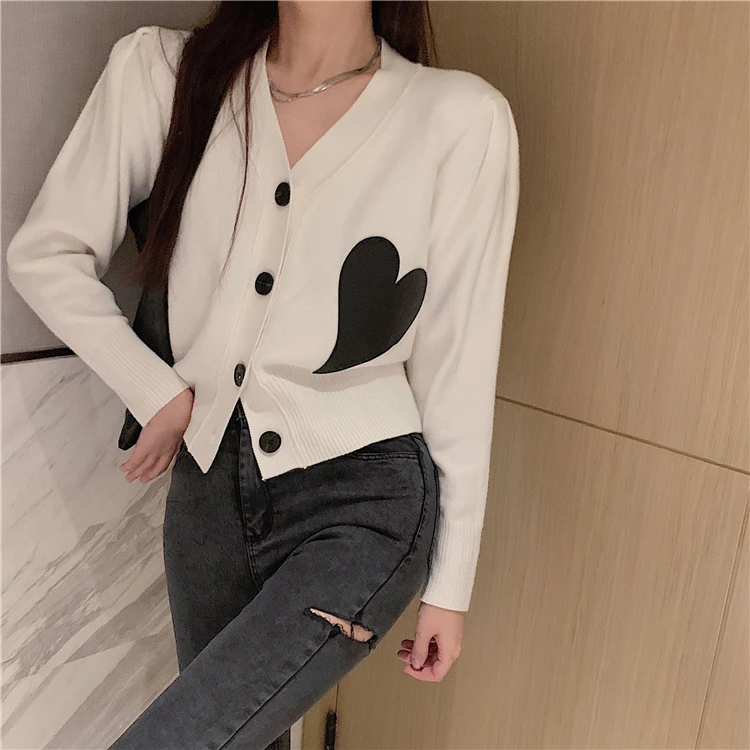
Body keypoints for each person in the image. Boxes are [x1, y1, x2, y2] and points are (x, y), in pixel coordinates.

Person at [5, 1, 520, 747]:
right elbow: (44, 254)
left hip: (363, 504)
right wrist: (156, 390)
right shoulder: (165, 74)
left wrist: (451, 584)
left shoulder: (460, 119)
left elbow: (459, 358)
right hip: (207, 501)